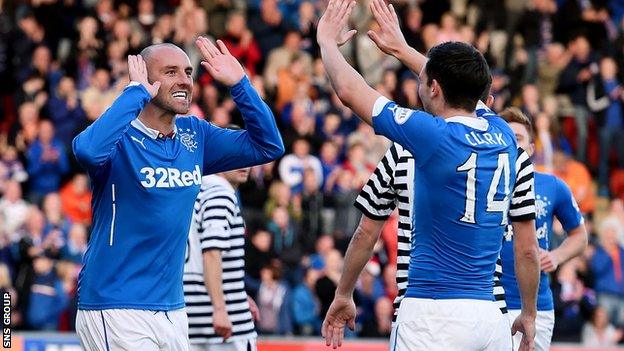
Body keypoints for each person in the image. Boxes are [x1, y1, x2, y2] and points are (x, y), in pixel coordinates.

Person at [317, 1, 539, 350]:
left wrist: (327, 42)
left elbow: (349, 92)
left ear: (434, 88)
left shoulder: (431, 135)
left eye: (423, 81)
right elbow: (527, 253)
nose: (419, 84)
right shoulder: (504, 134)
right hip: (490, 317)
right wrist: (404, 50)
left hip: (433, 314)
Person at [72, 38, 284, 351]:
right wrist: (135, 94)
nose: (185, 80)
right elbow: (86, 151)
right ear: (146, 78)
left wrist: (240, 84)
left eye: (187, 72)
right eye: (170, 72)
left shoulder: (196, 135)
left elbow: (268, 145)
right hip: (116, 304)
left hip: (173, 308)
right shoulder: (119, 137)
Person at [498, 107, 588, 351]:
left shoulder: (553, 186)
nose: (511, 145)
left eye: (517, 139)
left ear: (531, 148)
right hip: (490, 302)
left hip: (538, 306)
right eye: (505, 138)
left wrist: (557, 256)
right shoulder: (481, 181)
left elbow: (580, 236)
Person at [183, 141, 260, 351]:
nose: (245, 163)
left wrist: (237, 292)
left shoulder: (192, 190)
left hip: (190, 316)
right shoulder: (220, 193)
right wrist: (220, 306)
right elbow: (211, 253)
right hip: (223, 325)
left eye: (247, 156)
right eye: (235, 156)